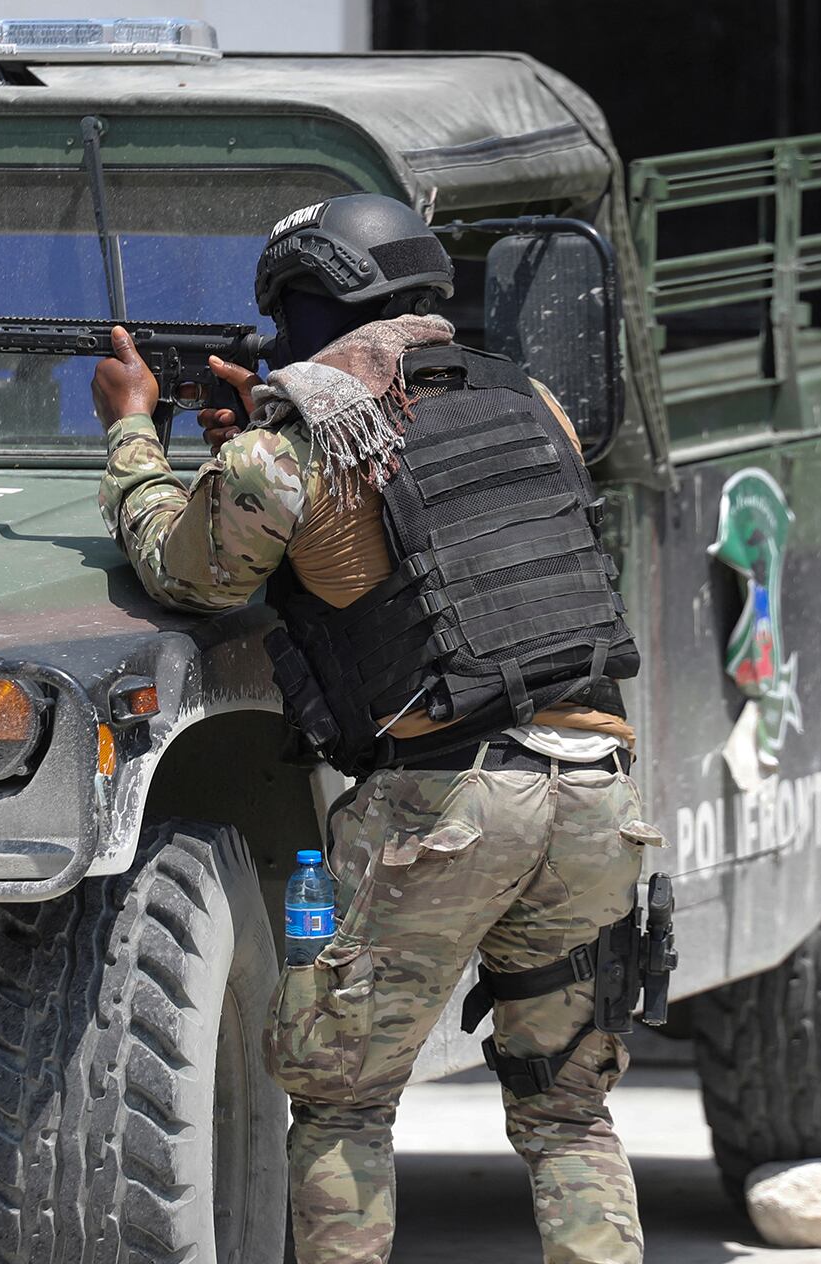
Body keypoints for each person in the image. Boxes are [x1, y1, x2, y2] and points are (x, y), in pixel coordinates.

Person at [92, 194, 660, 1264]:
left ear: (309, 306)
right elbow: (439, 519)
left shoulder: (291, 450)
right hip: (598, 786)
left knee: (343, 1101)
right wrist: (261, 434)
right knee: (568, 1108)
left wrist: (133, 429)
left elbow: (185, 570)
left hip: (447, 799)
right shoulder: (530, 400)